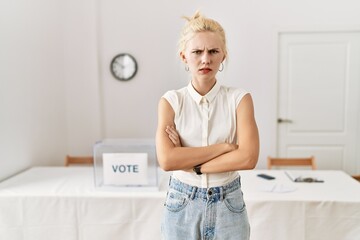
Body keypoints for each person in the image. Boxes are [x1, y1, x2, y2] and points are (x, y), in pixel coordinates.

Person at [155, 11, 259, 240]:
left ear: (223, 56)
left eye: (213, 51)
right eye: (197, 52)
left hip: (228, 204)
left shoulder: (240, 99)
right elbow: (167, 160)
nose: (205, 59)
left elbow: (248, 158)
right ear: (184, 57)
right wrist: (224, 148)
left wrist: (193, 163)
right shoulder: (171, 101)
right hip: (181, 204)